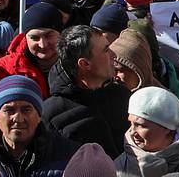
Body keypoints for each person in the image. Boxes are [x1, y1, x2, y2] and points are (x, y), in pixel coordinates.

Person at [42, 24, 129, 157]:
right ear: (84, 64)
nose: (113, 55)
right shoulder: (52, 113)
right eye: (106, 50)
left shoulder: (122, 96)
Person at [0, 75, 76, 177]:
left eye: (26, 110)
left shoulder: (68, 155)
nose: (18, 118)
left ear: (39, 116)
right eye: (9, 110)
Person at [116, 85, 179, 177]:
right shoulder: (126, 158)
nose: (132, 132)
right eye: (131, 123)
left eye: (141, 125)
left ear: (167, 128)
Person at [0, 3, 64, 97]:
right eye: (35, 38)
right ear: (25, 38)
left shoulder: (77, 63)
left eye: (48, 36)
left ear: (60, 34)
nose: (43, 45)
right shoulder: (6, 69)